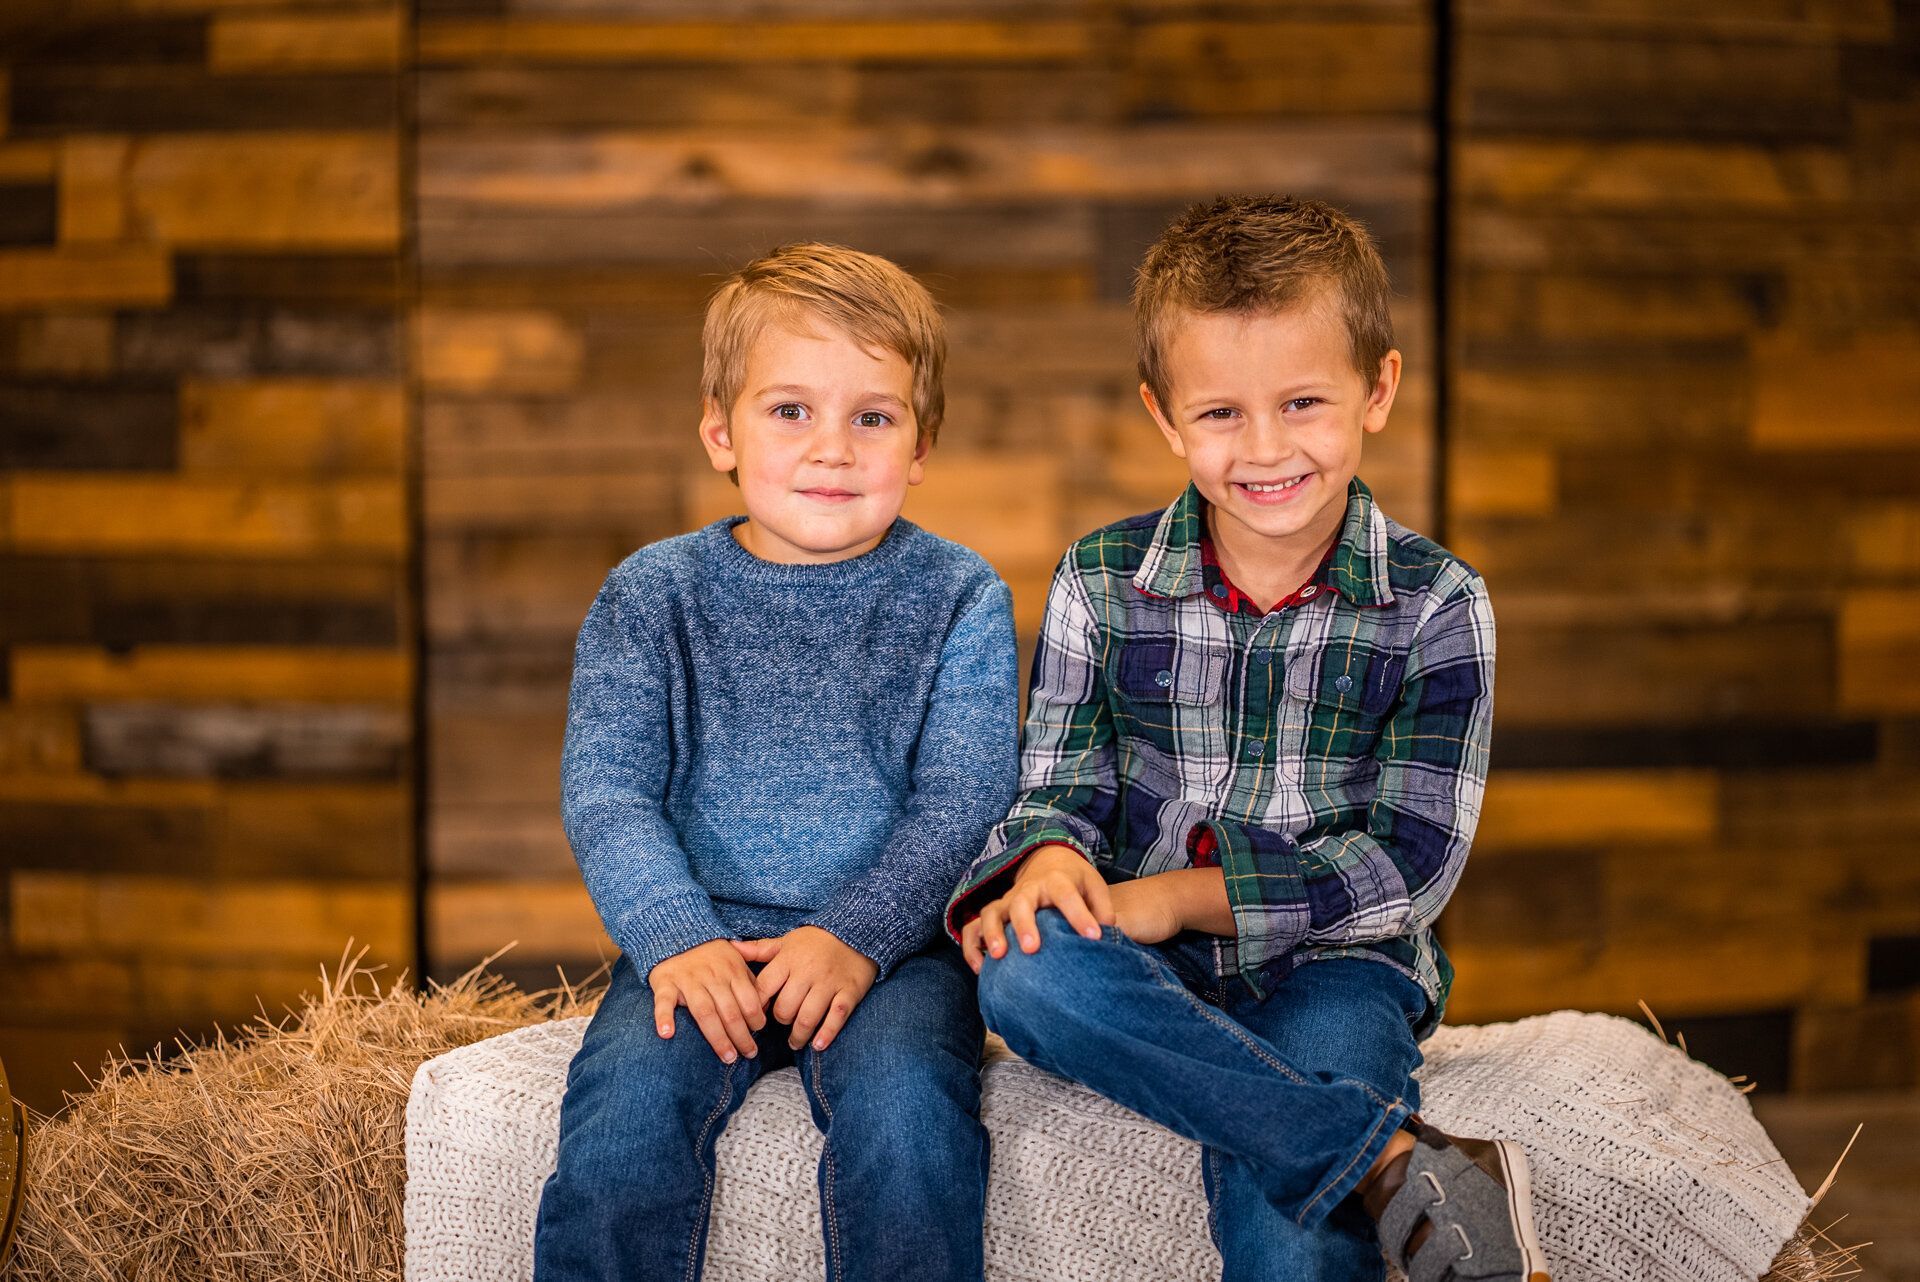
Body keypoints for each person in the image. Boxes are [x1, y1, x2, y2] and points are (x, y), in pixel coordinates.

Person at [948, 195, 1551, 1282]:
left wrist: (1175, 894)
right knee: (1022, 971)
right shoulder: (1100, 577)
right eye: (1220, 413)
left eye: (1305, 401)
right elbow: (1059, 786)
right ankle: (1384, 1157)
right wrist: (1048, 859)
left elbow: (1408, 868)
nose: (1266, 448)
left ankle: (1333, 1163)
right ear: (1164, 415)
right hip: (1147, 964)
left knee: (1286, 1232)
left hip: (1339, 967)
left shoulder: (1435, 602)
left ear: (1379, 390)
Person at [535, 243, 1018, 1282]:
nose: (832, 449)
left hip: (887, 958)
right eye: (790, 411)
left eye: (873, 418)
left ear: (922, 444)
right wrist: (674, 937)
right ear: (722, 431)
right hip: (701, 941)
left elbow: (966, 799)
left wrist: (856, 934)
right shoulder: (649, 596)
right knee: (618, 1135)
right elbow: (609, 794)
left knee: (910, 1130)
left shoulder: (959, 594)